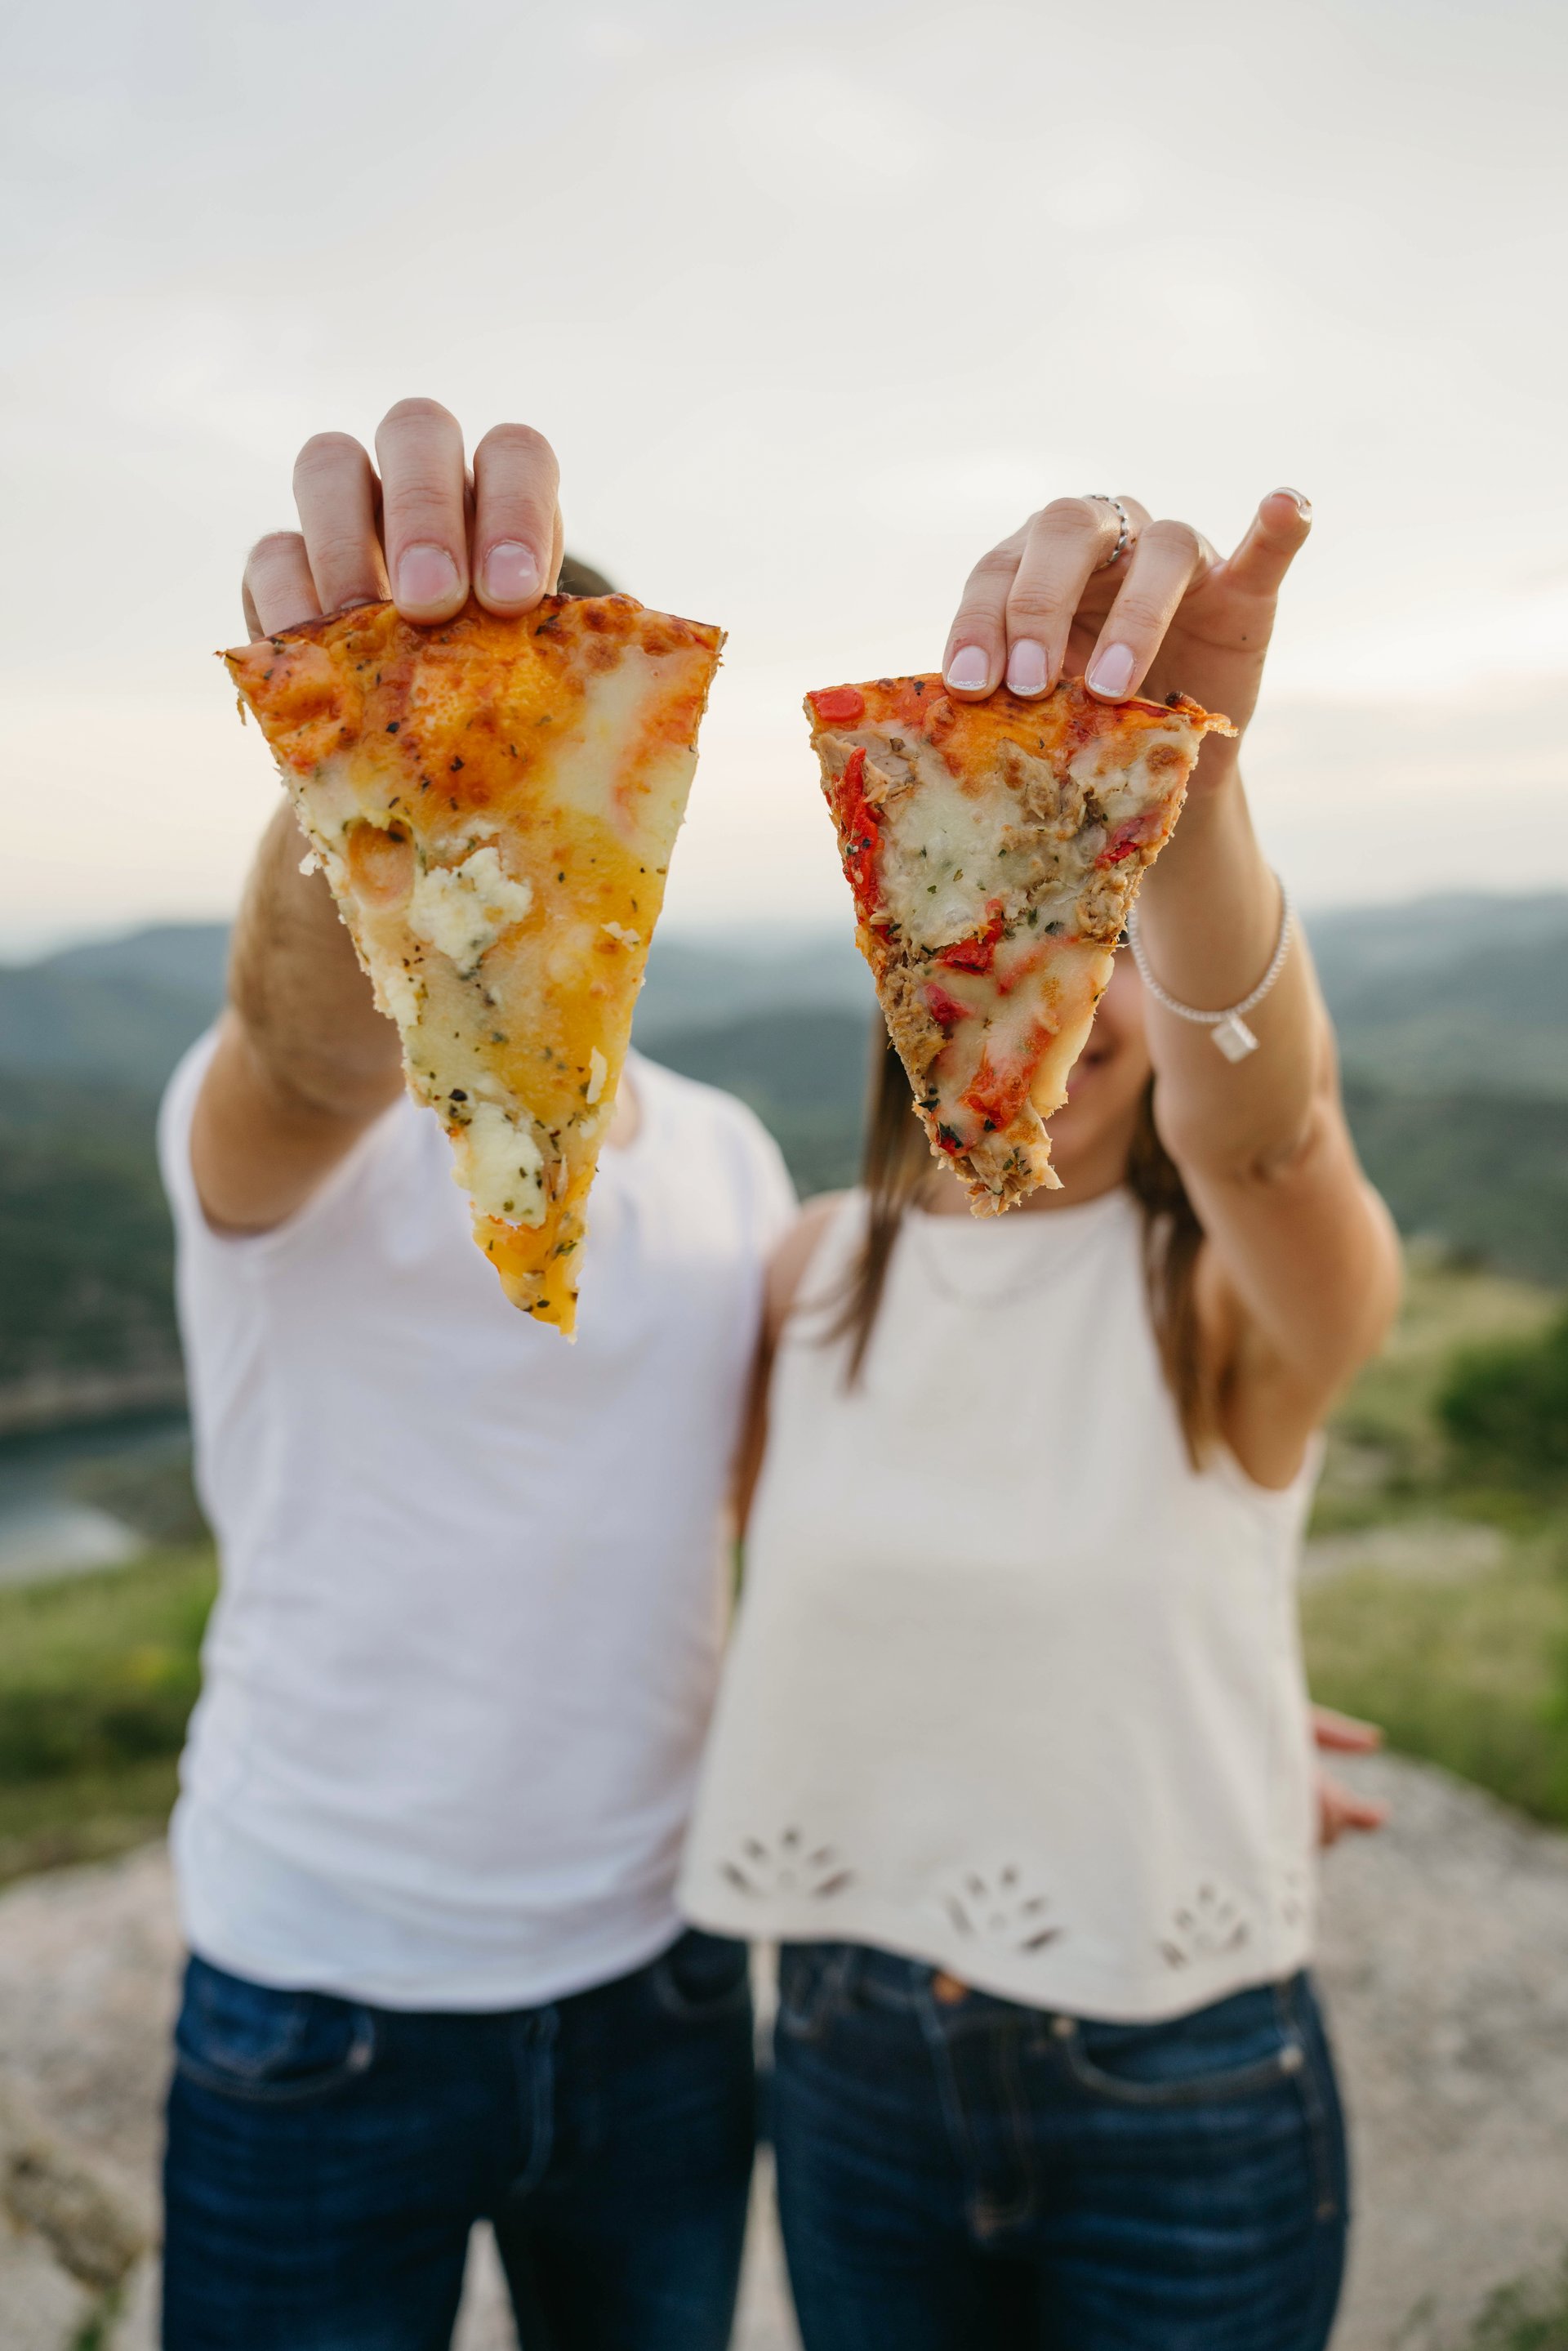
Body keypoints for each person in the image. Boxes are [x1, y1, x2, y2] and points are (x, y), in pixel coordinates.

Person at [681, 489, 1402, 2349]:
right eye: (1004, 929)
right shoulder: (812, 1273)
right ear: (902, 952)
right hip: (845, 2063)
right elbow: (757, 1603)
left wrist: (1195, 791)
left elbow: (1275, 1132)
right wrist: (1174, 1710)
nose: (1062, 992)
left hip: (1179, 2078)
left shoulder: (1234, 1299)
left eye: (1108, 936)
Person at [157, 399, 795, 2349]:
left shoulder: (733, 1159)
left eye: (552, 776)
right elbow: (307, 1038)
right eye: (465, 801)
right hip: (318, 1999)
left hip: (669, 1984)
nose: (503, 838)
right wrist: (375, 757)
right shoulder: (287, 1132)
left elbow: (809, 1533)